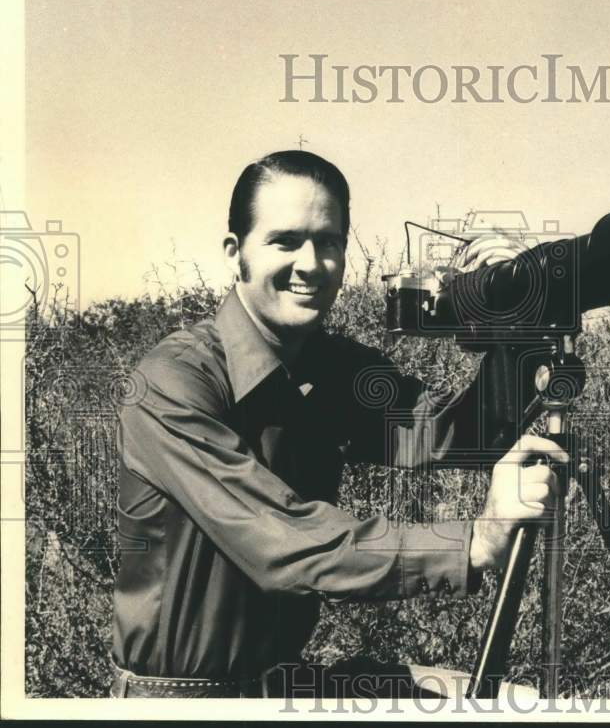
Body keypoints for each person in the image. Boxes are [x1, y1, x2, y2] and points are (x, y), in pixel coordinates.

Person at [109, 150, 566, 699]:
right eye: (285, 240)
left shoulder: (335, 367)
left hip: (286, 686)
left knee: (520, 703)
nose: (310, 263)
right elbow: (282, 543)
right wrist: (473, 542)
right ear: (235, 253)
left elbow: (452, 435)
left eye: (328, 243)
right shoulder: (174, 380)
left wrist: (517, 322)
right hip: (183, 701)